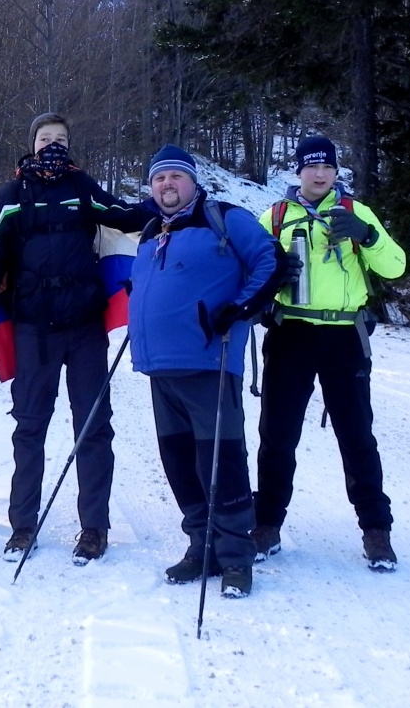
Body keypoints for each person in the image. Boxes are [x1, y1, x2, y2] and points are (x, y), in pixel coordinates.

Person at [0, 113, 151, 564]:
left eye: (61, 139)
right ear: (31, 144)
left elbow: (125, 218)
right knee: (29, 428)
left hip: (84, 327)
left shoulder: (83, 186)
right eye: (45, 138)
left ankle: (94, 527)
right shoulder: (11, 196)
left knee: (93, 428)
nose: (53, 145)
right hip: (33, 329)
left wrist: (168, 203)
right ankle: (23, 525)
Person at [128, 146, 283, 596]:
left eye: (176, 177)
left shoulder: (226, 218)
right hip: (159, 367)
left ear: (193, 181)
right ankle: (202, 545)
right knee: (178, 462)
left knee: (222, 462)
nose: (167, 185)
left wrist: (239, 308)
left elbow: (271, 261)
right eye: (159, 179)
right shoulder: (153, 230)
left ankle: (236, 557)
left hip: (209, 363)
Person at [253, 134, 407, 571]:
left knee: (357, 435)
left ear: (336, 171)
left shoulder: (356, 212)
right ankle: (266, 524)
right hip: (291, 332)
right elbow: (250, 267)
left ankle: (376, 529)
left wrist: (368, 236)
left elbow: (395, 267)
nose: (319, 174)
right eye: (311, 166)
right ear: (298, 170)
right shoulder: (277, 216)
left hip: (344, 336)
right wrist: (274, 276)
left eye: (327, 167)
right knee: (277, 435)